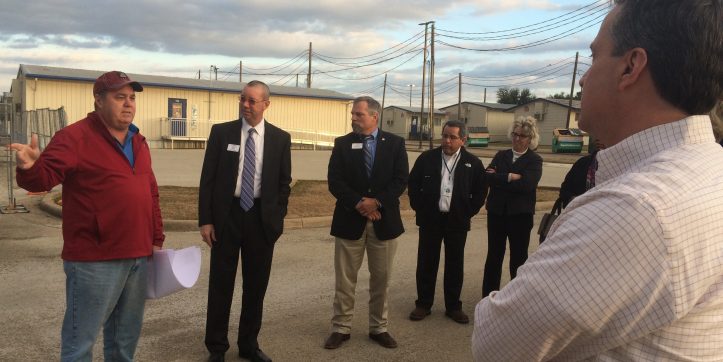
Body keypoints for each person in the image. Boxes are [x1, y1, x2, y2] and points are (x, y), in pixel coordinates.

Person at [472, 0, 723, 360]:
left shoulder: (634, 209)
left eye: (594, 57)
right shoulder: (709, 169)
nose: (583, 78)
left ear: (630, 67)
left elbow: (495, 344)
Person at [9, 71, 165, 361]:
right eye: (120, 97)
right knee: (80, 344)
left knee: (124, 343)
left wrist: (156, 239)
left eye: (132, 98)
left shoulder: (138, 141)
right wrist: (30, 168)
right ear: (98, 100)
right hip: (95, 260)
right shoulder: (74, 137)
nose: (128, 104)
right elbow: (42, 179)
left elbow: (150, 193)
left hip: (138, 256)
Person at [199, 80, 291, 362]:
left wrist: (276, 218)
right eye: (243, 99)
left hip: (261, 219)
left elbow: (283, 182)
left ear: (266, 104)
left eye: (252, 101)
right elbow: (208, 179)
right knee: (221, 286)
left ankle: (249, 345)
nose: (246, 105)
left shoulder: (279, 138)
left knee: (255, 287)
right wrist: (206, 220)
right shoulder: (221, 132)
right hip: (228, 216)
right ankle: (217, 347)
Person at [324, 96, 408, 350]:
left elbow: (400, 179)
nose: (353, 118)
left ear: (374, 116)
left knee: (381, 279)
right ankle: (341, 327)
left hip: (384, 221)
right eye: (352, 114)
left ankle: (378, 327)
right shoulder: (342, 144)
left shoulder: (394, 144)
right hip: (350, 219)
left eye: (358, 114)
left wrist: (377, 202)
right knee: (345, 279)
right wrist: (361, 202)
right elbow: (335, 181)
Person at [407, 120, 487, 324]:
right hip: (430, 219)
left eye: (452, 137)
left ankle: (453, 306)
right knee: (426, 262)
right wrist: (420, 207)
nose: (447, 140)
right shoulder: (427, 158)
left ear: (463, 140)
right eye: (444, 136)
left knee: (454, 263)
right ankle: (423, 304)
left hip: (457, 221)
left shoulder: (473, 163)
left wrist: (467, 211)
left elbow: (480, 192)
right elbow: (413, 184)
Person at [481, 116, 542, 297]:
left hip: (520, 216)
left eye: (522, 136)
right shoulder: (501, 155)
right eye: (515, 134)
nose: (517, 138)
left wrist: (499, 177)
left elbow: (527, 185)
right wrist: (509, 177)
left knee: (518, 257)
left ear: (530, 139)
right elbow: (487, 176)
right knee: (494, 256)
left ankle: (515, 298)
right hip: (497, 213)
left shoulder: (534, 160)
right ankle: (488, 295)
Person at [558, 138, 606, 208]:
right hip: (581, 212)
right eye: (597, 138)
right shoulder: (583, 163)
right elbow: (565, 190)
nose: (599, 141)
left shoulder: (621, 165)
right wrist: (575, 200)